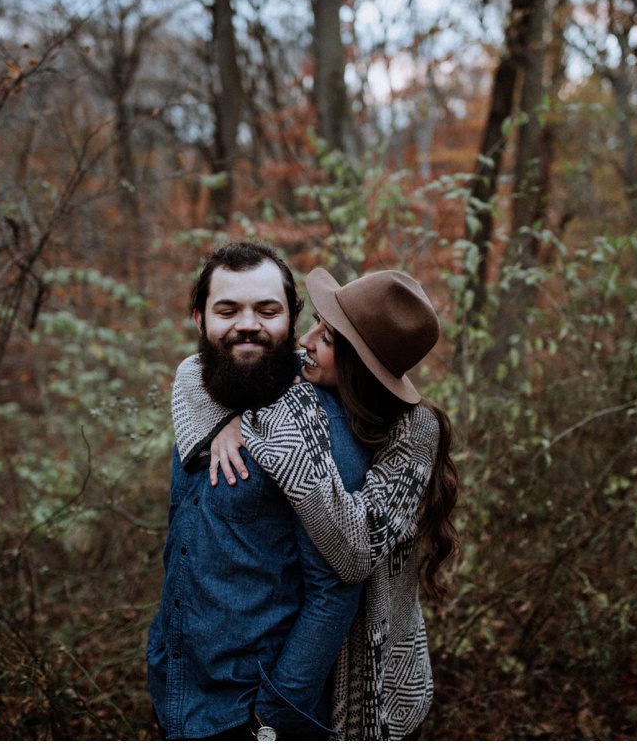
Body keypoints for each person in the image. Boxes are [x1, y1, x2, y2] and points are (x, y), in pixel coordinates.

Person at [175, 267, 460, 740]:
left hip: (379, 674)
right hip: (298, 668)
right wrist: (223, 417)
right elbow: (194, 368)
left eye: (325, 338)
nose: (305, 340)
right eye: (315, 325)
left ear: (359, 365)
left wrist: (281, 442)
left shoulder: (413, 433)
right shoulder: (307, 380)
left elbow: (354, 552)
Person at [146, 242, 371, 740]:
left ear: (291, 321)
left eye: (267, 311)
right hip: (178, 695)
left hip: (252, 715)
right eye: (228, 310)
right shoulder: (198, 405)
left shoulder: (317, 429)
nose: (247, 325)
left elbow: (337, 588)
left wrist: (273, 714)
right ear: (199, 319)